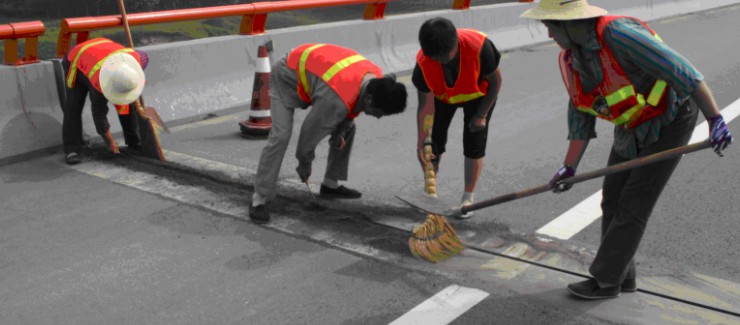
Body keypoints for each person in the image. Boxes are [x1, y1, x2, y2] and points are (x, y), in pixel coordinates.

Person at [521, 0, 733, 299]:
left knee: (635, 201)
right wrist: (569, 167)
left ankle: (606, 282)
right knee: (613, 196)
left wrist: (715, 119)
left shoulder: (620, 35)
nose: (549, 35)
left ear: (569, 23)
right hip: (632, 123)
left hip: (670, 118)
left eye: (550, 27)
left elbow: (684, 71)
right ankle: (622, 277)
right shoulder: (574, 57)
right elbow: (581, 111)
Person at [249, 43, 408, 224]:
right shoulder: (337, 99)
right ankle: (259, 198)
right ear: (370, 99)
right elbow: (307, 139)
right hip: (286, 76)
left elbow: (352, 108)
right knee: (281, 135)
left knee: (348, 128)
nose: (378, 117)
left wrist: (340, 130)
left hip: (319, 79)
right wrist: (304, 165)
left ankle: (330, 184)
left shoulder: (376, 80)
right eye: (379, 113)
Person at [413, 17, 502, 219]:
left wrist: (481, 115)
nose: (440, 61)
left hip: (479, 96)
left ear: (455, 44)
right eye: (436, 58)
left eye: (445, 57)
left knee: (474, 143)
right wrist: (421, 140)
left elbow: (496, 82)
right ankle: (431, 194)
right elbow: (425, 106)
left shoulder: (480, 47)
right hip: (442, 98)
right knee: (431, 144)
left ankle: (468, 197)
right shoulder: (424, 64)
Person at [62, 37, 148, 165]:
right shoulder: (100, 83)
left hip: (104, 49)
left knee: (127, 99)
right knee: (74, 105)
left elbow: (143, 59)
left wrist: (133, 81)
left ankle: (134, 142)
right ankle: (72, 149)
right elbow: (99, 114)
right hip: (77, 59)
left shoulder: (136, 59)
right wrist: (109, 141)